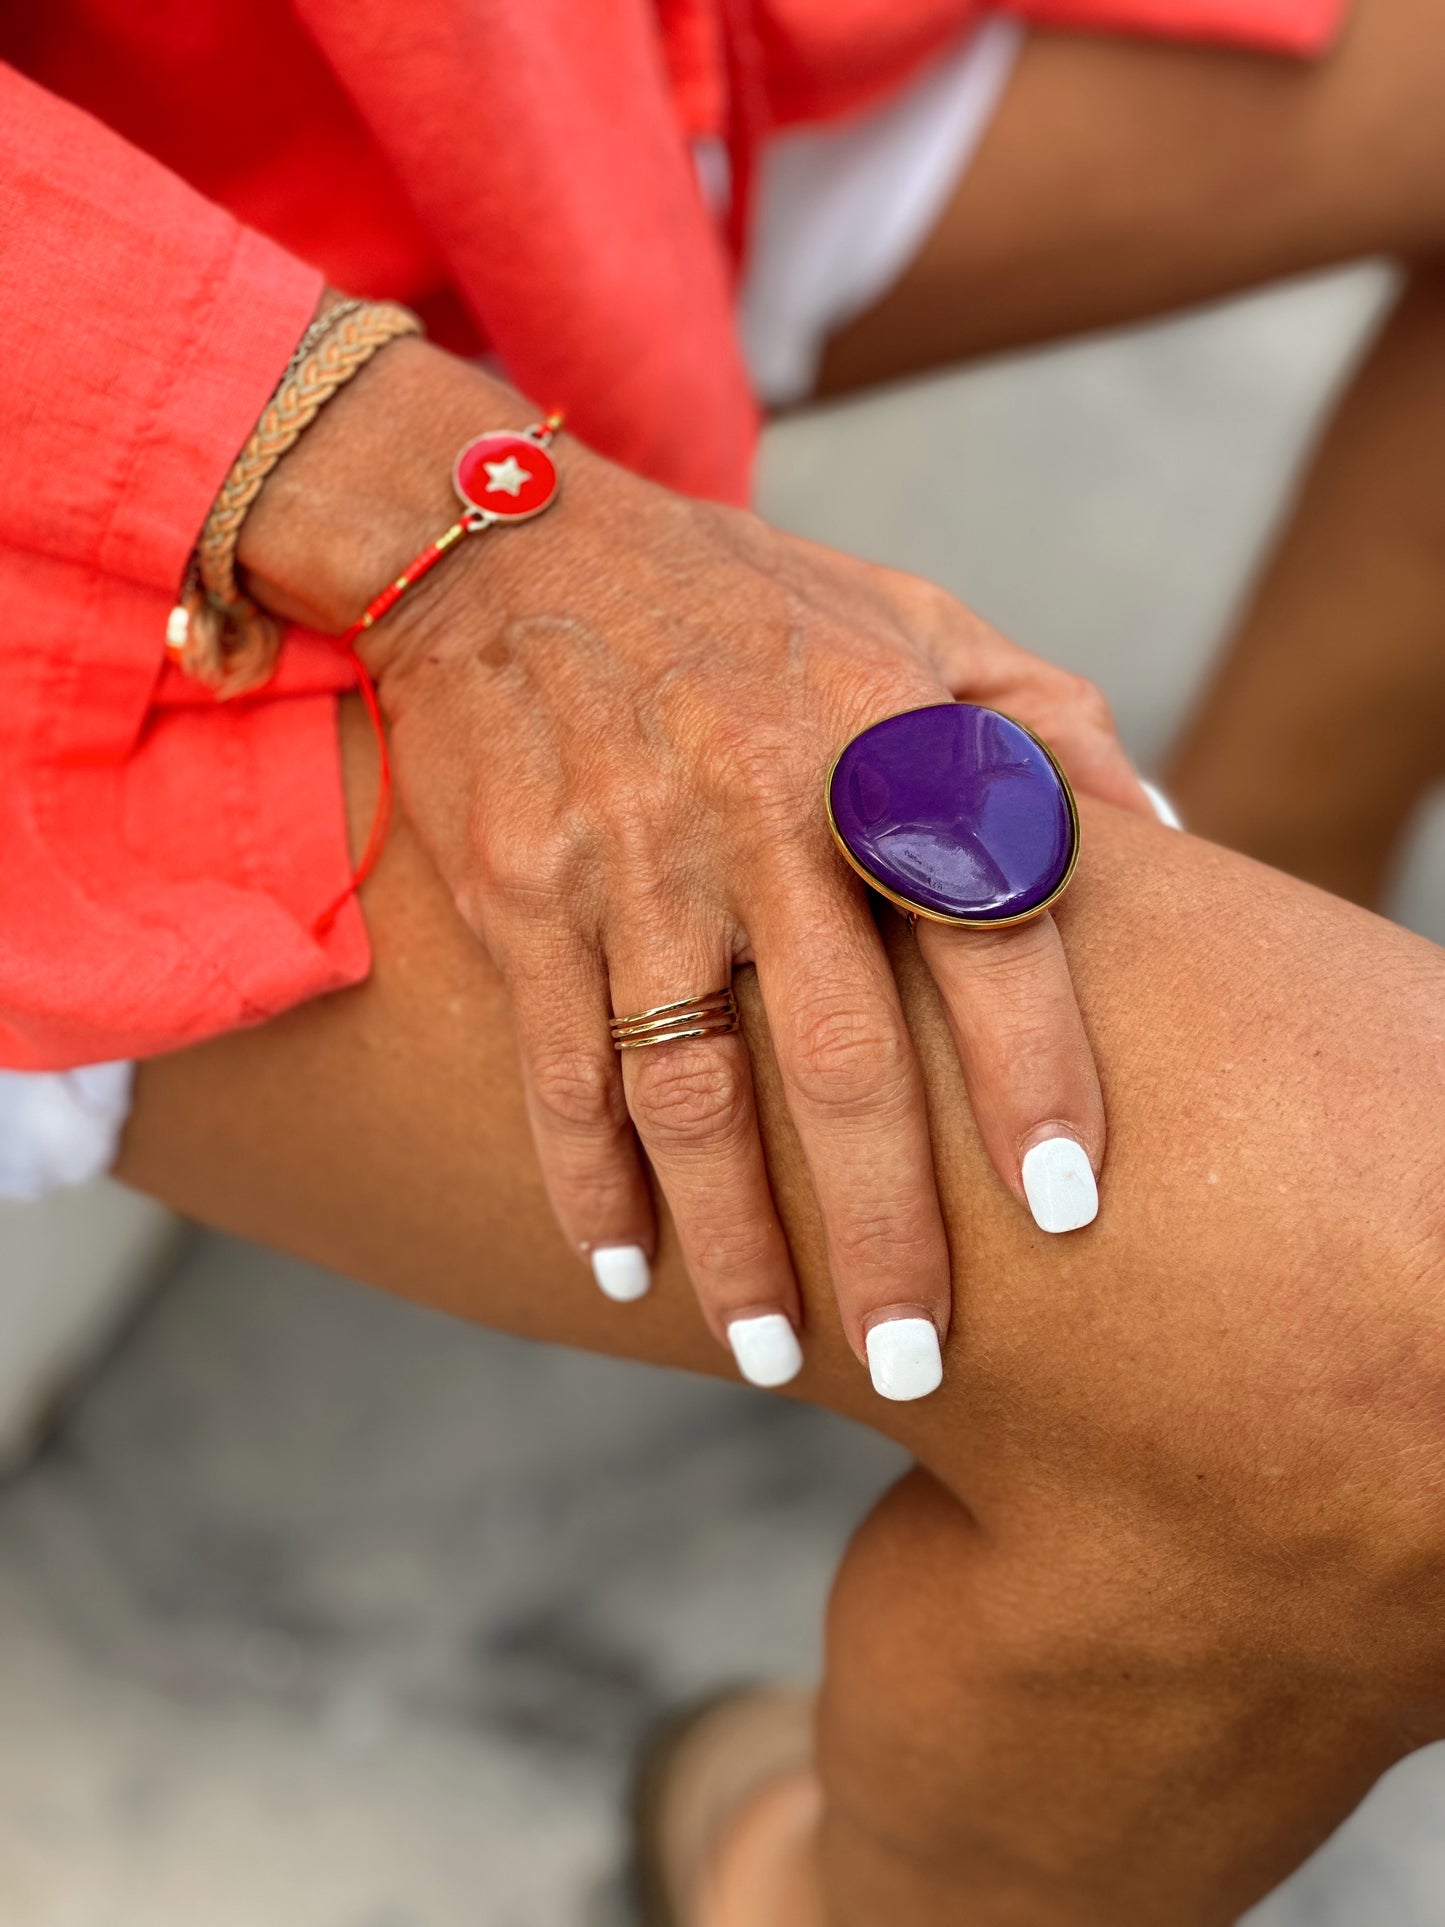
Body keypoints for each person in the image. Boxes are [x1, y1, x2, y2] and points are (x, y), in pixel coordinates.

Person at [5, 0, 1445, 1916]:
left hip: (444, 87)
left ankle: (1260, 883)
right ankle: (806, 1886)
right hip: (89, 431)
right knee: (1397, 1382)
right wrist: (462, 521)